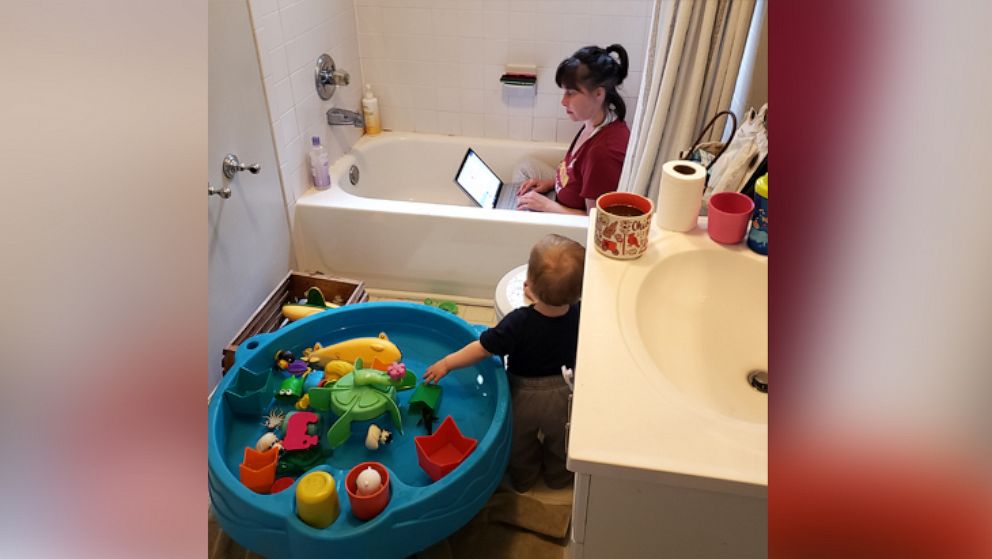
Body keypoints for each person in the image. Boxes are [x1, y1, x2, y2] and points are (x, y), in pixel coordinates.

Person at [423, 234, 585, 491]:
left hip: (524, 393)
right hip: (565, 389)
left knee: (520, 440)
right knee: (561, 438)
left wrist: (447, 363)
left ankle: (524, 478)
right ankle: (559, 478)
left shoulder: (518, 322)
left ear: (528, 286)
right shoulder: (580, 313)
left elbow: (482, 349)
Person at [515, 44, 631, 215]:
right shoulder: (596, 122)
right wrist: (549, 184)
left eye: (571, 93)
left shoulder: (602, 153)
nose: (563, 101)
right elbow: (574, 172)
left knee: (517, 210)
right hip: (561, 196)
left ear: (599, 93)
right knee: (525, 166)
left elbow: (594, 222)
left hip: (569, 221)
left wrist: (546, 206)